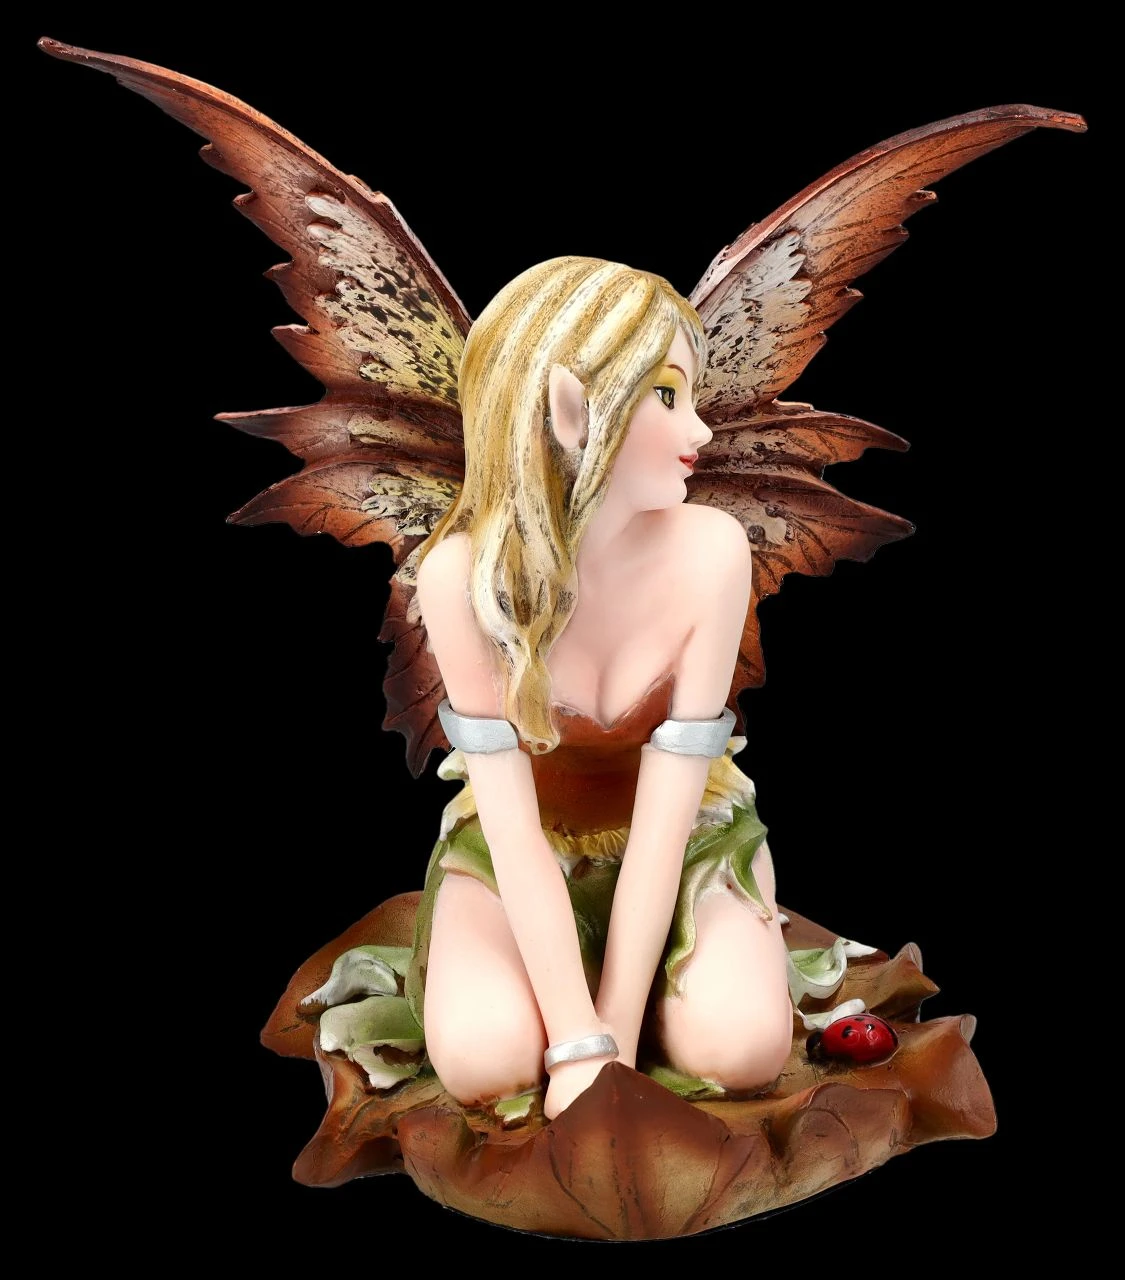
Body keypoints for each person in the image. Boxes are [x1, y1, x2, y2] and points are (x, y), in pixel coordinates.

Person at [410, 255, 793, 1120]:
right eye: (666, 395)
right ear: (570, 410)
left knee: (741, 1050)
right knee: (482, 1064)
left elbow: (669, 807)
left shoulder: (711, 551)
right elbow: (508, 821)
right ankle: (561, 984)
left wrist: (607, 1040)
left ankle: (657, 990)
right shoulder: (458, 578)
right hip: (520, 850)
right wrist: (574, 1039)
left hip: (686, 840)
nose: (701, 432)